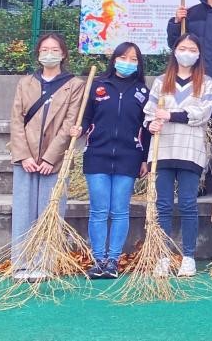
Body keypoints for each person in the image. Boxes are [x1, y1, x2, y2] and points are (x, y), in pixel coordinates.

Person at [8, 34, 86, 280]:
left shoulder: (74, 85)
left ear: (63, 54)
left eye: (54, 49)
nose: (49, 54)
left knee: (50, 209)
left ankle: (45, 261)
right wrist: (24, 156)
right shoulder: (25, 83)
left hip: (55, 159)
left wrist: (51, 157)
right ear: (38, 54)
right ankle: (21, 262)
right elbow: (16, 121)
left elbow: (70, 123)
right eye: (44, 49)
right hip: (26, 157)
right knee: (23, 209)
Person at [72, 42, 150, 280]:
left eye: (133, 59)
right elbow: (85, 117)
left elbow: (146, 130)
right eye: (123, 57)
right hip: (97, 154)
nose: (127, 62)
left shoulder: (143, 92)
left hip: (129, 157)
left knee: (119, 210)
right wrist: (79, 128)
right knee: (98, 210)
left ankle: (113, 261)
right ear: (114, 59)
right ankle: (98, 260)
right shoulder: (97, 86)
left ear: (139, 64)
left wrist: (144, 159)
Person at [144, 34, 212, 277]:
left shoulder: (205, 82)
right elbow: (150, 112)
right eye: (183, 48)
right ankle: (163, 257)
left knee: (187, 204)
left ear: (199, 54)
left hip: (190, 150)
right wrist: (151, 124)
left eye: (192, 49)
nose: (187, 53)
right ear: (174, 51)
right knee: (163, 205)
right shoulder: (161, 81)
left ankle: (188, 257)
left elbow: (202, 114)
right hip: (162, 149)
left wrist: (171, 115)